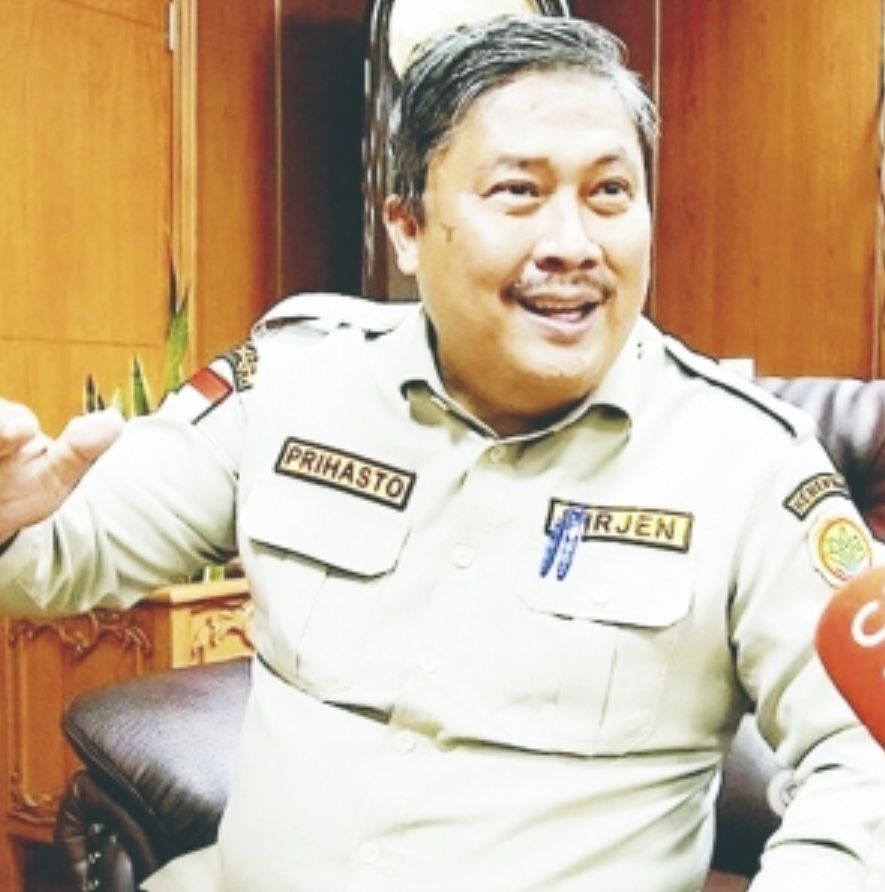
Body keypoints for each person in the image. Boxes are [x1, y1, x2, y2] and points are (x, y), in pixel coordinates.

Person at [1, 14, 884, 892]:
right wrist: (10, 521)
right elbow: (63, 559)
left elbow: (864, 757)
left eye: (610, 192)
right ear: (406, 227)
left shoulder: (749, 465)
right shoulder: (297, 378)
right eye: (518, 191)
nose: (572, 244)